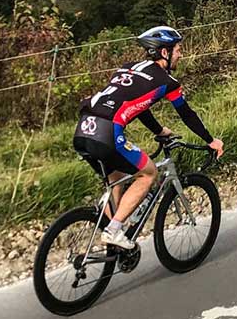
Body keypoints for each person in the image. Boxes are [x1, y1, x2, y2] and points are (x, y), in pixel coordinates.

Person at [72, 26, 225, 250]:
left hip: (83, 129)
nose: (180, 54)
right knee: (148, 173)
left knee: (116, 178)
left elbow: (139, 106)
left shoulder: (126, 68)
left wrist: (159, 131)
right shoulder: (167, 81)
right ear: (165, 52)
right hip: (107, 133)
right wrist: (210, 140)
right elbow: (186, 113)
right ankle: (114, 230)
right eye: (178, 50)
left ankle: (110, 234)